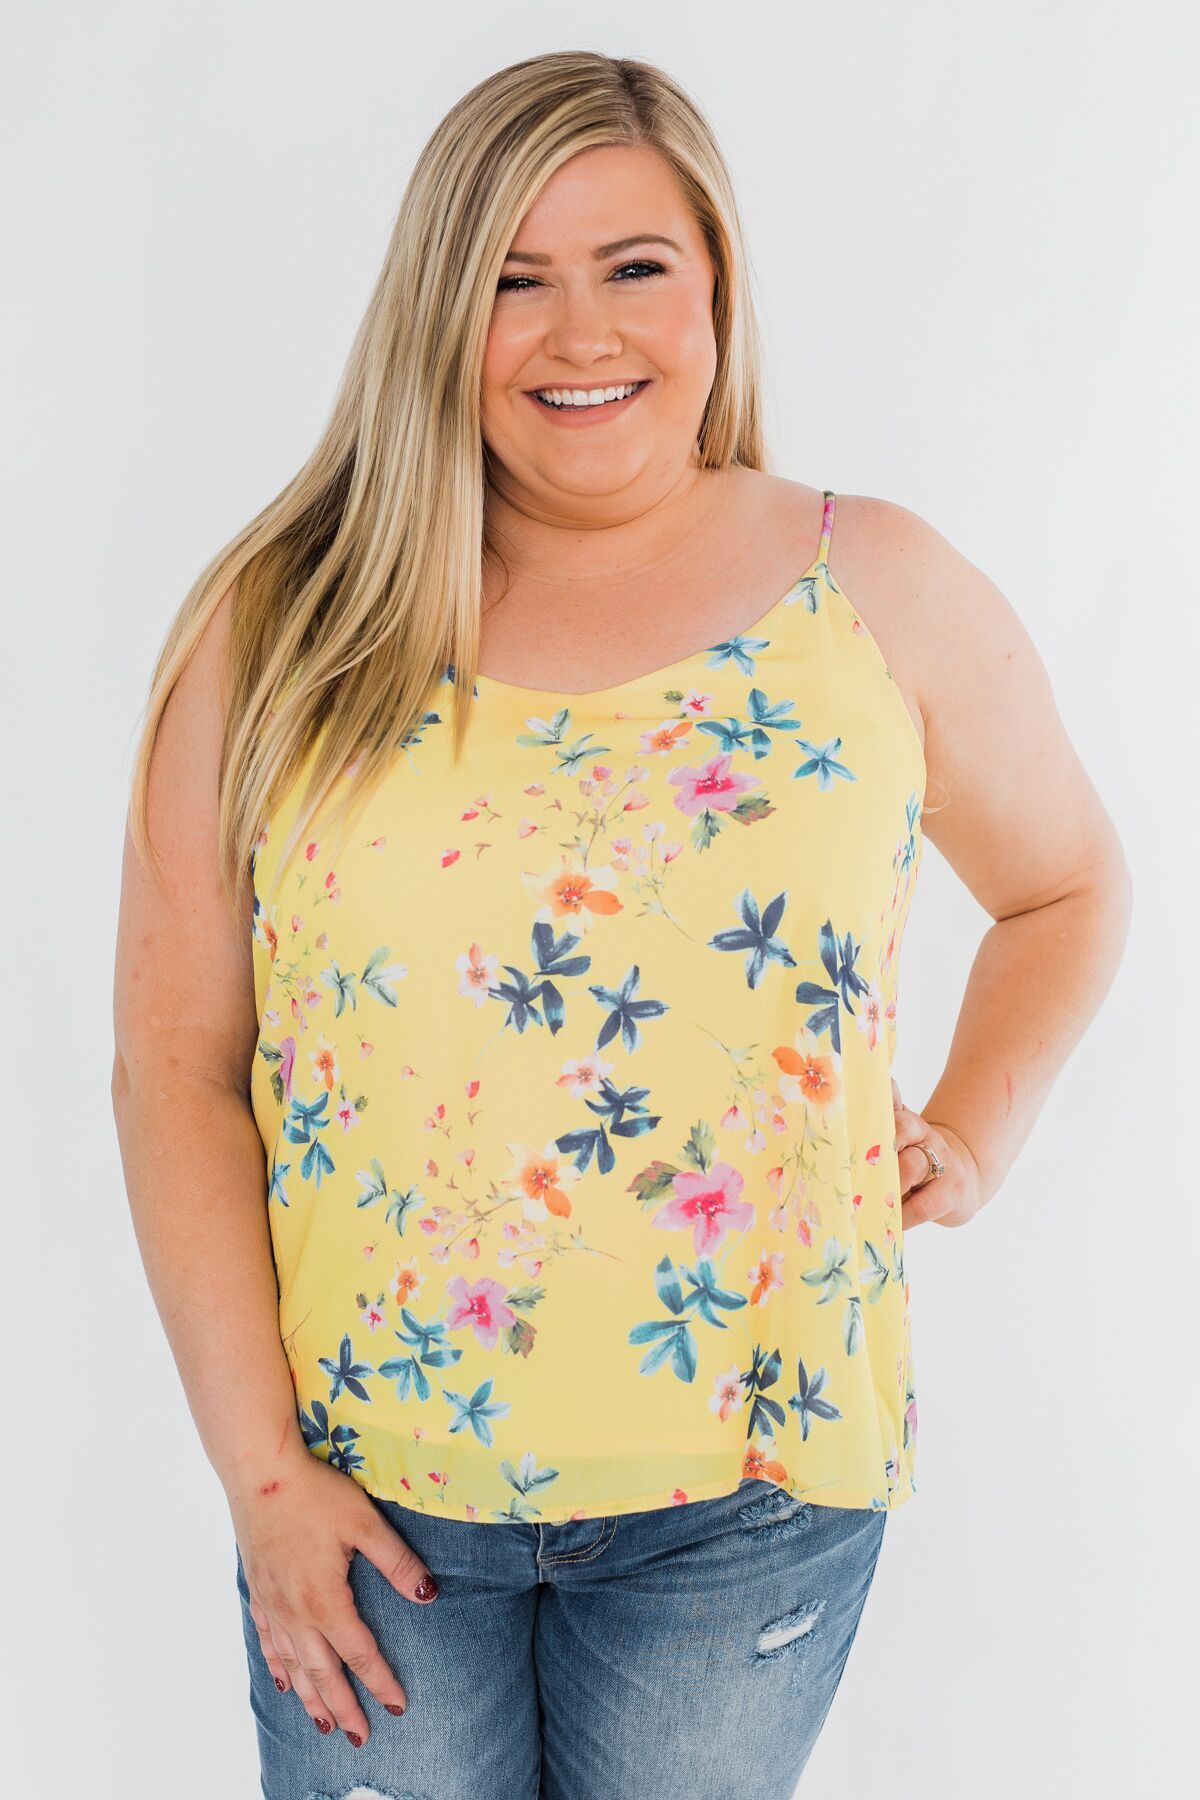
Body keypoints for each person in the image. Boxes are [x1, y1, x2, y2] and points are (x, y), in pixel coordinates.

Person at [110, 49, 1131, 1800]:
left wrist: (978, 1126)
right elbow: (172, 1067)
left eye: (633, 265)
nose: (579, 331)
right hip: (371, 1497)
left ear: (715, 280)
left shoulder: (871, 591)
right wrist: (262, 1480)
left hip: (753, 1493)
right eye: (514, 278)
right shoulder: (286, 624)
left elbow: (1069, 885)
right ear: (441, 310)